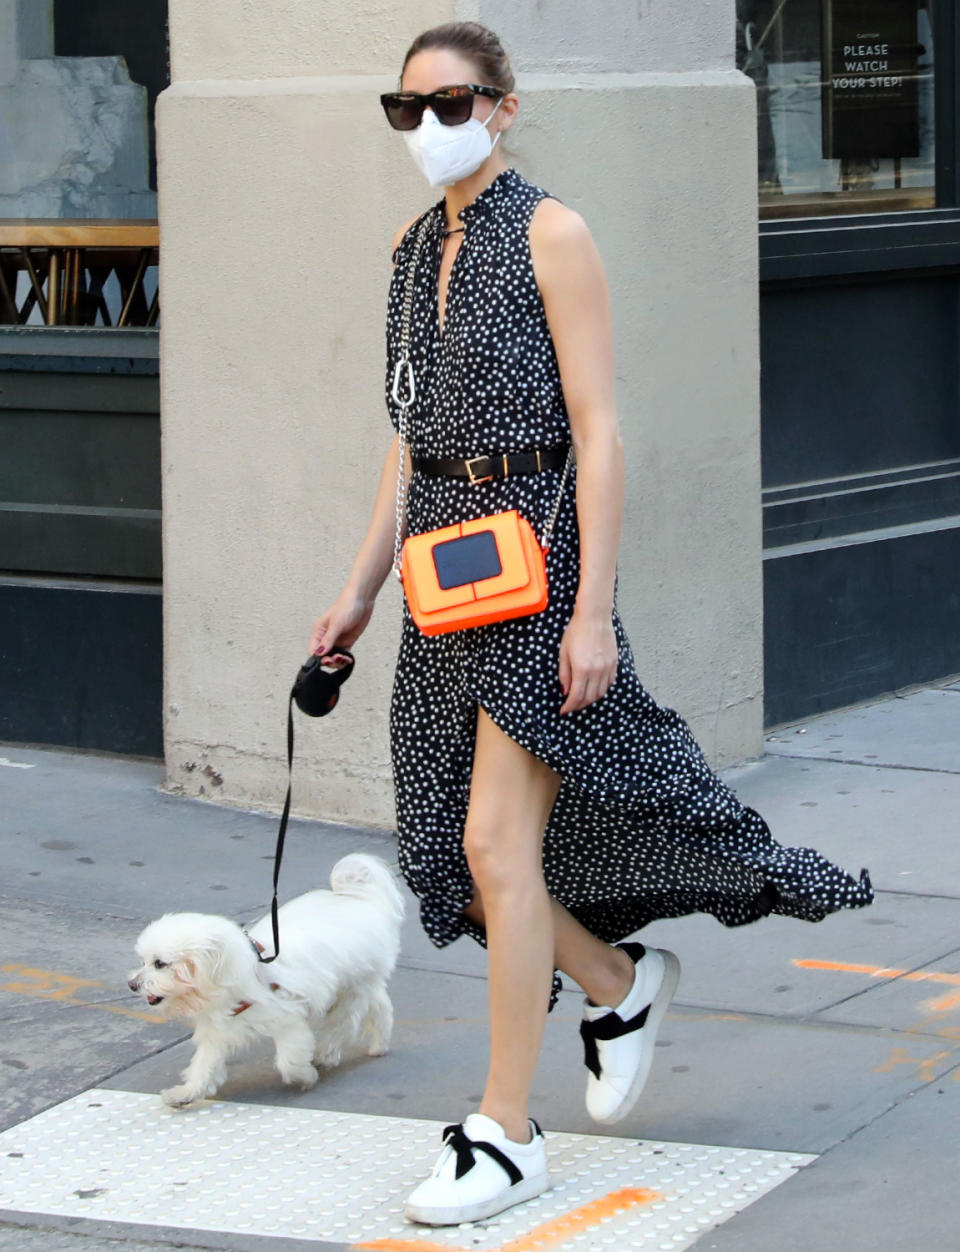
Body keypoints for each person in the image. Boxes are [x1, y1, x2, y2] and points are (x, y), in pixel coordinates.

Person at [309, 20, 873, 1229]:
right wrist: (358, 591)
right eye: (404, 110)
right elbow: (405, 447)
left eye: (449, 102)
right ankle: (616, 982)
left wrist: (597, 609)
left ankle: (506, 1129)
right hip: (442, 571)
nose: (427, 127)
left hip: (539, 564)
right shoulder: (413, 251)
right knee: (462, 854)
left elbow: (602, 430)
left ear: (504, 107)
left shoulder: (552, 231)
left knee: (500, 847)